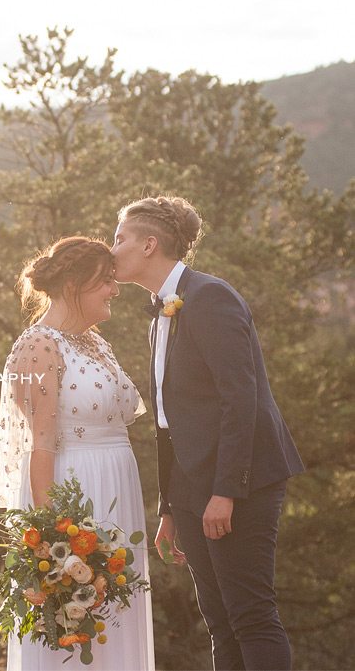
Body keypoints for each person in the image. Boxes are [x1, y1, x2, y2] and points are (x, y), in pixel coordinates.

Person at [111, 196, 305, 671]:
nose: (110, 248)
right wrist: (171, 506)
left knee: (251, 615)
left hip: (241, 480)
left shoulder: (211, 296)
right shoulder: (161, 314)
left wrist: (226, 491)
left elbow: (241, 402)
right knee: (218, 619)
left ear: (149, 244)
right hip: (191, 486)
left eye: (119, 239)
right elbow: (168, 420)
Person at [0, 236, 155, 671]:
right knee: (75, 630)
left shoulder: (95, 343)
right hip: (75, 497)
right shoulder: (39, 346)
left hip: (117, 495)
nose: (115, 290)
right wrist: (53, 543)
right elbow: (39, 447)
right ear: (72, 283)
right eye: (105, 281)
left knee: (116, 619)